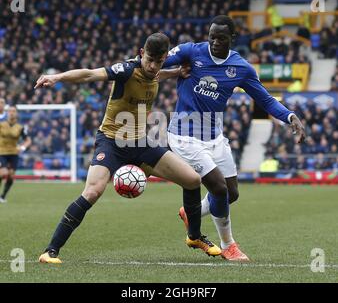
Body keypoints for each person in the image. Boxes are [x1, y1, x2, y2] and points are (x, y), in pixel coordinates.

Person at [34, 33, 221, 264]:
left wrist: (174, 72)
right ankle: (50, 251)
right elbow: (90, 74)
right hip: (112, 141)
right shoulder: (125, 70)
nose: (153, 66)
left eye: (159, 61)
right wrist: (57, 77)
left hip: (141, 143)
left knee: (192, 180)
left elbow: (155, 76)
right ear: (142, 54)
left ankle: (194, 236)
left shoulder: (155, 72)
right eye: (149, 60)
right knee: (92, 191)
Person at [163, 15, 306, 261]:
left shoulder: (241, 68)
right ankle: (228, 245)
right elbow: (156, 60)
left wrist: (290, 116)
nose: (215, 42)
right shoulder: (190, 52)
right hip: (184, 136)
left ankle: (192, 211)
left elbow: (265, 99)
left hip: (214, 137)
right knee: (218, 188)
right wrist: (165, 70)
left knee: (232, 193)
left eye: (221, 37)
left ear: (233, 38)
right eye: (211, 37)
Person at [0, 106, 31, 203]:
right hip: (2, 152)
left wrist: (22, 147)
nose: (11, 113)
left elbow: (28, 140)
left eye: (13, 111)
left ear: (16, 113)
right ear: (7, 113)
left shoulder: (20, 127)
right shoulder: (1, 124)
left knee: (11, 175)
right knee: (3, 172)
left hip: (14, 153)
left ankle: (3, 196)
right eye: (9, 111)